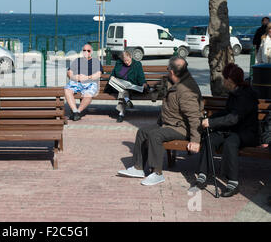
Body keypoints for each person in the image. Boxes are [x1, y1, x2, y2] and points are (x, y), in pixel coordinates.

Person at [118, 56, 203, 186]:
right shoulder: (172, 81)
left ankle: (157, 173)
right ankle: (138, 168)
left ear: (172, 71)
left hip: (181, 128)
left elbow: (194, 117)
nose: (167, 70)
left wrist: (195, 141)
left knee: (155, 135)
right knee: (142, 132)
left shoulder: (187, 90)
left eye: (168, 68)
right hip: (168, 123)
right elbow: (156, 92)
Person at [193, 63, 259, 197]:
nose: (223, 80)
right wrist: (209, 119)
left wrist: (211, 122)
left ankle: (233, 183)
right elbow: (227, 112)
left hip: (246, 132)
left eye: (224, 78)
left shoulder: (246, 95)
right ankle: (203, 174)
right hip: (231, 130)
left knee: (230, 143)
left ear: (230, 80)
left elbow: (234, 118)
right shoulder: (234, 92)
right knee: (210, 138)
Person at [64, 44, 103, 121]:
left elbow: (99, 74)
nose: (86, 52)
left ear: (91, 52)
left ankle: (78, 112)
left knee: (88, 95)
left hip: (90, 83)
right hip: (77, 82)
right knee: (67, 90)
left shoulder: (95, 61)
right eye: (84, 50)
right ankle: (75, 111)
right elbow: (69, 72)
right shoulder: (77, 60)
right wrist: (75, 77)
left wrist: (87, 77)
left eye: (88, 50)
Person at [108, 51, 148, 122]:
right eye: (125, 61)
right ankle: (126, 102)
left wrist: (143, 83)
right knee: (121, 89)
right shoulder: (119, 64)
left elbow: (140, 76)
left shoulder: (137, 64)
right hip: (119, 85)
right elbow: (113, 74)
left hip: (131, 86)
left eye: (128, 60)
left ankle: (121, 113)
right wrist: (112, 78)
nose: (126, 62)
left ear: (131, 57)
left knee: (123, 92)